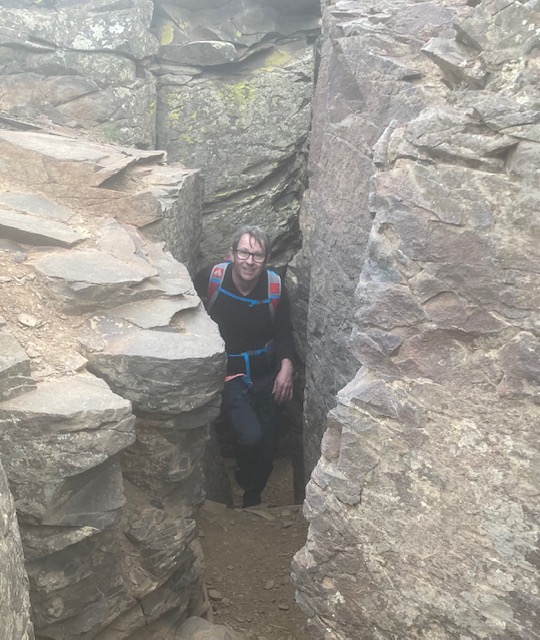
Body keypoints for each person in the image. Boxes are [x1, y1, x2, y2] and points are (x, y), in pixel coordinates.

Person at [194, 225, 295, 508]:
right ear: (232, 254)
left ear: (266, 259)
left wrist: (287, 367)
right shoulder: (212, 278)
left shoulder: (274, 287)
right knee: (251, 437)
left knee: (269, 444)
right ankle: (244, 477)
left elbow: (284, 331)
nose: (249, 261)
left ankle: (253, 496)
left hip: (267, 373)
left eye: (257, 255)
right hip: (230, 375)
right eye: (244, 253)